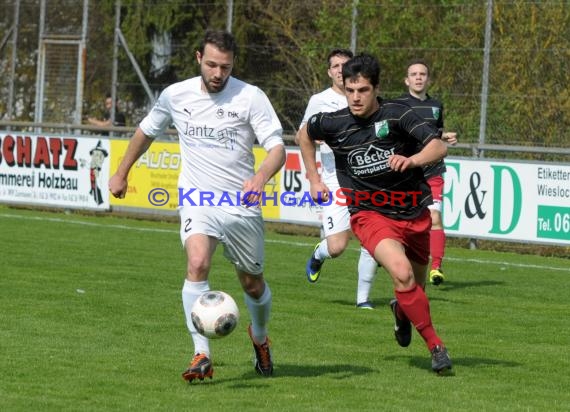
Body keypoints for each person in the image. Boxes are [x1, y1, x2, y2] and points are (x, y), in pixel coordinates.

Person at [108, 30, 285, 382]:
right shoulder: (176, 95)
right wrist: (122, 171)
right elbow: (146, 131)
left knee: (252, 283)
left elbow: (277, 147)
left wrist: (262, 175)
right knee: (197, 261)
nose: (219, 73)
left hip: (240, 203)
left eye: (226, 67)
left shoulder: (251, 97)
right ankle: (201, 352)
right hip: (197, 198)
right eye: (212, 65)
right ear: (197, 58)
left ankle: (260, 338)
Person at [297, 53, 452, 373]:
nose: (355, 97)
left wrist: (412, 161)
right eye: (351, 89)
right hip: (369, 214)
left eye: (363, 90)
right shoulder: (335, 122)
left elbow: (438, 146)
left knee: (415, 292)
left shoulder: (397, 114)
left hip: (413, 211)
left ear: (376, 88)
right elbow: (304, 135)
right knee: (403, 273)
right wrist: (313, 177)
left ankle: (401, 312)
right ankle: (436, 347)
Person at [295, 48, 379, 309]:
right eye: (335, 66)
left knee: (372, 239)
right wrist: (314, 180)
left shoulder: (366, 96)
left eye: (345, 65)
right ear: (329, 71)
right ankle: (320, 253)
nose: (340, 70)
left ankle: (362, 299)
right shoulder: (320, 100)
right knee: (337, 247)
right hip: (333, 178)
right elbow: (302, 136)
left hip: (367, 178)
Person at [395, 59, 458, 285]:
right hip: (406, 173)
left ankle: (436, 268)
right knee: (405, 221)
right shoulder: (398, 105)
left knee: (435, 218)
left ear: (428, 79)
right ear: (407, 80)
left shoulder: (436, 105)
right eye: (414, 74)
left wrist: (443, 136)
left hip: (432, 170)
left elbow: (431, 133)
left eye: (422, 74)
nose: (418, 77)